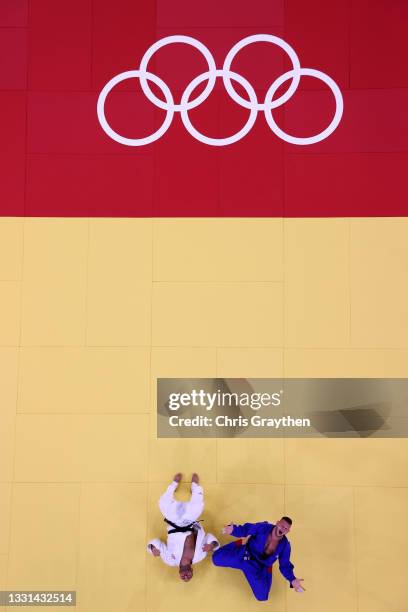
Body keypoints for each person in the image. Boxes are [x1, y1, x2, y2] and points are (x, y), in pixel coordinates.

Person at [147, 473, 219, 581]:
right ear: (192, 571)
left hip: (174, 523)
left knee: (163, 503)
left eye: (183, 577)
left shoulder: (170, 560)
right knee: (198, 505)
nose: (185, 576)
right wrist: (212, 545)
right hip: (190, 522)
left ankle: (173, 484)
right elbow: (208, 537)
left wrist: (153, 549)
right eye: (189, 577)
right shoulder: (199, 557)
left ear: (178, 574)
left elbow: (157, 543)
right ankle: (194, 487)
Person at [212, 517, 305, 601]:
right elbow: (247, 529)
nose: (283, 529)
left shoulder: (285, 546)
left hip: (259, 567)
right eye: (282, 525)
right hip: (245, 555)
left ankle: (268, 569)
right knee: (216, 558)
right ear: (277, 523)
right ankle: (240, 543)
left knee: (262, 596)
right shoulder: (263, 527)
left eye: (286, 528)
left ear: (288, 531)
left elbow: (284, 565)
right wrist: (233, 530)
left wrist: (292, 579)